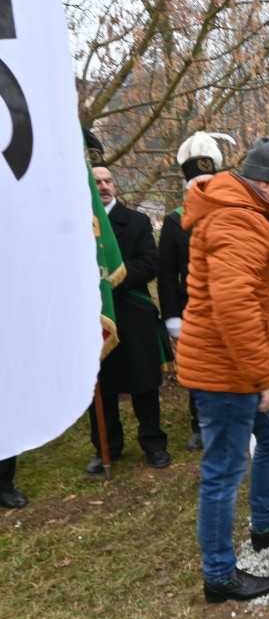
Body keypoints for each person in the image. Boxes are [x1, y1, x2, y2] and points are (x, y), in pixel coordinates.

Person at [176, 133, 269, 603]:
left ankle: (264, 523)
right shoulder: (236, 221)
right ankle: (218, 576)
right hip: (228, 372)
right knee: (222, 471)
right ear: (262, 183)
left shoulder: (249, 211)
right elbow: (234, 306)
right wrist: (264, 378)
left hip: (237, 367)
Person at [86, 160, 172, 476]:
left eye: (108, 181)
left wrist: (109, 279)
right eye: (97, 182)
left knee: (144, 384)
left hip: (133, 313)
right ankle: (107, 447)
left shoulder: (136, 221)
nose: (105, 187)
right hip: (94, 318)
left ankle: (154, 444)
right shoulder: (75, 224)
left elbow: (150, 263)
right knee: (102, 386)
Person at [158, 131, 235, 453]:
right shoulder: (175, 222)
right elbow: (165, 275)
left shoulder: (232, 215)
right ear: (189, 188)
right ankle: (199, 423)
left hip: (231, 304)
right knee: (200, 367)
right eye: (198, 185)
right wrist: (173, 316)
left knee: (232, 363)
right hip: (193, 308)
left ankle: (233, 421)